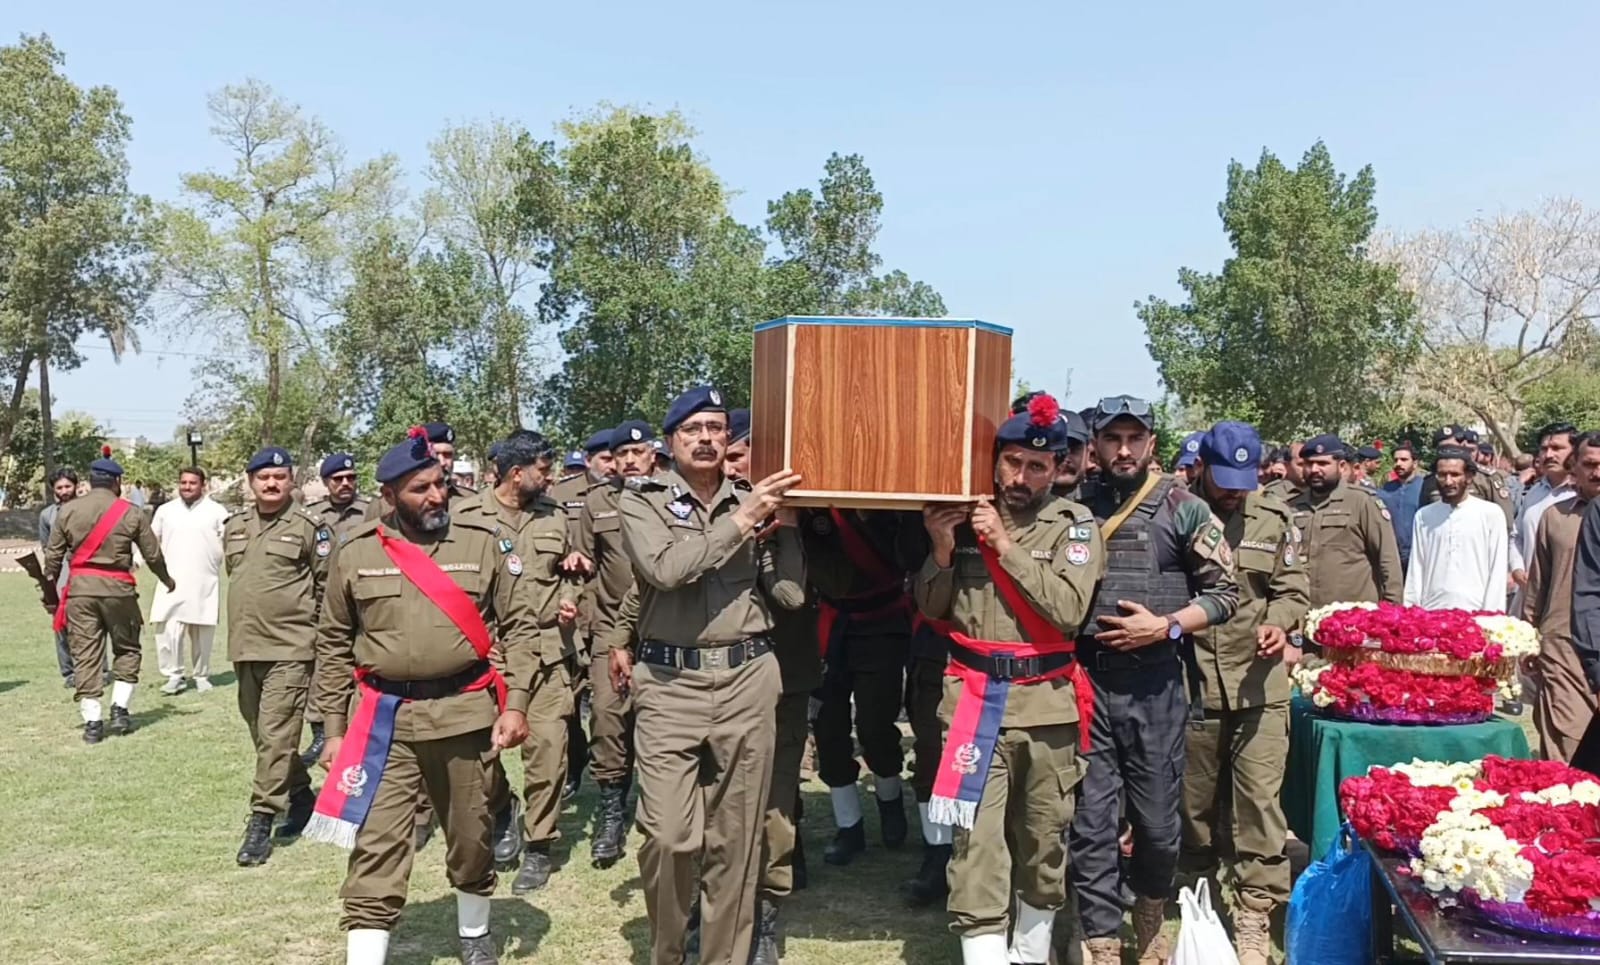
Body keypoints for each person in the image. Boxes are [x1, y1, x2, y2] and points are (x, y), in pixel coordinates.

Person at [307, 426, 538, 965]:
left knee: (470, 835)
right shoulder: (356, 551)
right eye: (420, 489)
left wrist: (518, 704)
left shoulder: (481, 543)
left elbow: (521, 627)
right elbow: (334, 643)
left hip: (464, 715)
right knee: (377, 844)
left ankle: (474, 935)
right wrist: (333, 733)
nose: (436, 496)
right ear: (388, 497)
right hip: (385, 722)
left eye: (439, 483)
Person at [612, 385, 804, 965]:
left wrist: (787, 527)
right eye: (694, 428)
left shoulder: (753, 498)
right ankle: (669, 951)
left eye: (717, 428)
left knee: (737, 841)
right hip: (671, 684)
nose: (706, 438)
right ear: (671, 441)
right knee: (671, 837)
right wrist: (745, 520)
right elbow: (667, 569)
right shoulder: (641, 500)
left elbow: (791, 596)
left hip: (749, 677)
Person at [915, 393, 1104, 965]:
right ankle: (984, 954)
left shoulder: (1073, 527)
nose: (1022, 477)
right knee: (977, 842)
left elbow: (1068, 610)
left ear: (1058, 470)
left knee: (1043, 839)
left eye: (1037, 466)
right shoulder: (963, 516)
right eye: (1013, 462)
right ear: (995, 461)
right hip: (973, 704)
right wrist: (943, 550)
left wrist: (1002, 544)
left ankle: (1030, 948)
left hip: (1047, 709)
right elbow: (932, 608)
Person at [1066, 396, 1239, 965]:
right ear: (1094, 445)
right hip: (1087, 682)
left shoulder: (1184, 508)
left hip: (1157, 687)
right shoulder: (1069, 507)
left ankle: (1149, 911)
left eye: (1133, 439)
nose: (1122, 450)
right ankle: (1100, 940)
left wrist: (1163, 627)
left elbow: (1225, 593)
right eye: (1111, 439)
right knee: (1091, 826)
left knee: (1161, 828)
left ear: (1151, 445)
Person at [1180, 422, 1308, 965]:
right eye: (1224, 479)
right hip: (1193, 685)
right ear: (1201, 467)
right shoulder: (1175, 513)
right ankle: (1198, 899)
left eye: (1244, 480)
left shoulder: (1275, 519)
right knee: (1193, 808)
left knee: (1260, 805)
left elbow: (1292, 589)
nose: (1235, 491)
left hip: (1260, 686)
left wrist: (1280, 623)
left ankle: (1255, 914)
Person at [454, 430, 580, 896]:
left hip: (548, 652)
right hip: (487, 656)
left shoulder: (557, 516)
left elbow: (574, 572)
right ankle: (503, 809)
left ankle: (540, 843)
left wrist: (569, 597)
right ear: (516, 473)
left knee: (547, 751)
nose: (550, 477)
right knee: (480, 753)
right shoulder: (464, 517)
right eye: (544, 469)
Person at [726, 408, 825, 964]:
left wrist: (783, 524)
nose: (736, 469)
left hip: (783, 673)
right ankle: (710, 904)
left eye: (744, 458)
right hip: (711, 679)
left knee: (775, 798)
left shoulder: (798, 515)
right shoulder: (703, 513)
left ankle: (767, 911)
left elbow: (790, 596)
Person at [802, 490, 922, 867]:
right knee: (829, 727)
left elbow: (907, 556)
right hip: (829, 622)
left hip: (881, 622)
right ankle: (848, 825)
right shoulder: (810, 501)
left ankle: (889, 801)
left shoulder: (887, 499)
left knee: (876, 723)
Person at [224, 448, 330, 865]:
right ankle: (301, 797)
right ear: (250, 482)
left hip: (291, 647)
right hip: (245, 647)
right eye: (263, 477)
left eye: (279, 477)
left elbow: (327, 590)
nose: (271, 484)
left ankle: (262, 819)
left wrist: (323, 647)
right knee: (263, 734)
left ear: (292, 481)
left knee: (275, 734)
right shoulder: (233, 526)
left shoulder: (310, 528)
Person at [42, 448, 174, 743]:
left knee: (85, 655)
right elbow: (153, 555)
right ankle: (120, 710)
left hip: (80, 593)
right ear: (116, 482)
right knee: (127, 648)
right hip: (118, 590)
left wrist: (50, 591)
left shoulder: (68, 511)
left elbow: (52, 560)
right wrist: (167, 580)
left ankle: (92, 723)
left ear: (89, 482)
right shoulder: (131, 512)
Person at [580, 419, 655, 869]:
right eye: (620, 454)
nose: (629, 460)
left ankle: (659, 812)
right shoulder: (596, 502)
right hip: (610, 629)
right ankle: (612, 811)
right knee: (608, 718)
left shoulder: (671, 494)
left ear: (652, 454)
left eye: (637, 452)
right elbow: (583, 564)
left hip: (665, 629)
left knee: (663, 724)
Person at [1522, 432, 1600, 761]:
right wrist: (1528, 637)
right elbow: (1538, 584)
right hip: (1563, 645)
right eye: (1590, 465)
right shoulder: (1556, 517)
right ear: (1575, 467)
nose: (1597, 472)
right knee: (1568, 745)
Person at [301, 453, 373, 762]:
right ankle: (322, 731)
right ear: (326, 482)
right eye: (338, 479)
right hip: (323, 605)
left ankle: (362, 729)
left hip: (364, 602)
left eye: (351, 478)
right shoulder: (312, 516)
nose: (346, 484)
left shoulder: (371, 511)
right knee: (323, 669)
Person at [1289, 435, 1403, 609]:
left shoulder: (1362, 502)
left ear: (1341, 466)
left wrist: (1392, 611)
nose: (1314, 469)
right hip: (1303, 612)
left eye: (1323, 464)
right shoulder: (1292, 507)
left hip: (1352, 618)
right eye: (1309, 463)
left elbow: (1387, 560)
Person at [151, 467, 229, 695]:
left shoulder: (217, 511)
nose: (187, 487)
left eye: (192, 483)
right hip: (171, 580)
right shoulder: (165, 511)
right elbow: (151, 541)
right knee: (168, 630)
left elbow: (231, 542)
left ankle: (201, 675)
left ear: (202, 485)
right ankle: (174, 675)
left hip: (204, 579)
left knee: (202, 629)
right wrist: (136, 561)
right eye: (183, 482)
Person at [1404, 448, 1508, 612]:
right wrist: (1411, 611)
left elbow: (1497, 570)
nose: (1448, 481)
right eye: (1442, 474)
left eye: (1455, 474)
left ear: (1469, 477)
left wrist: (1491, 616)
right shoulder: (1424, 516)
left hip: (1476, 612)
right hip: (1431, 613)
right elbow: (1416, 569)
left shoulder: (1491, 514)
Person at [1511, 424, 1578, 616]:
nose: (1548, 455)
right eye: (1544, 449)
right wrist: (1517, 568)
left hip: (1568, 600)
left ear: (1575, 452)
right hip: (1528, 595)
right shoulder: (1534, 493)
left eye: (1557, 448)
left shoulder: (1584, 496)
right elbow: (1516, 537)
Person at [1420, 425, 1514, 528]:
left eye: (1453, 448)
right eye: (1443, 449)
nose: (1449, 453)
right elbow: (1423, 521)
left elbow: (1505, 521)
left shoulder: (1486, 478)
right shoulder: (1430, 481)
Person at [39, 468, 81, 688]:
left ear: (76, 486)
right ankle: (69, 671)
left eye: (68, 486)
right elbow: (46, 548)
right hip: (60, 571)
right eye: (60, 488)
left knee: (92, 620)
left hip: (85, 568)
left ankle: (100, 669)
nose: (64, 491)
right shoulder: (47, 515)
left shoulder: (88, 509)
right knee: (60, 620)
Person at [1380, 442, 1425, 571]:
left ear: (1415, 463)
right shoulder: (1387, 489)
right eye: (1396, 460)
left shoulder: (1423, 487)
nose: (1398, 463)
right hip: (1392, 555)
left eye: (1404, 460)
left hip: (1417, 554)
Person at [1052, 408, 1093, 499]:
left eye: (1074, 448)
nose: (1065, 457)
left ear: (1087, 454)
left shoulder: (1106, 501)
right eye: (1058, 449)